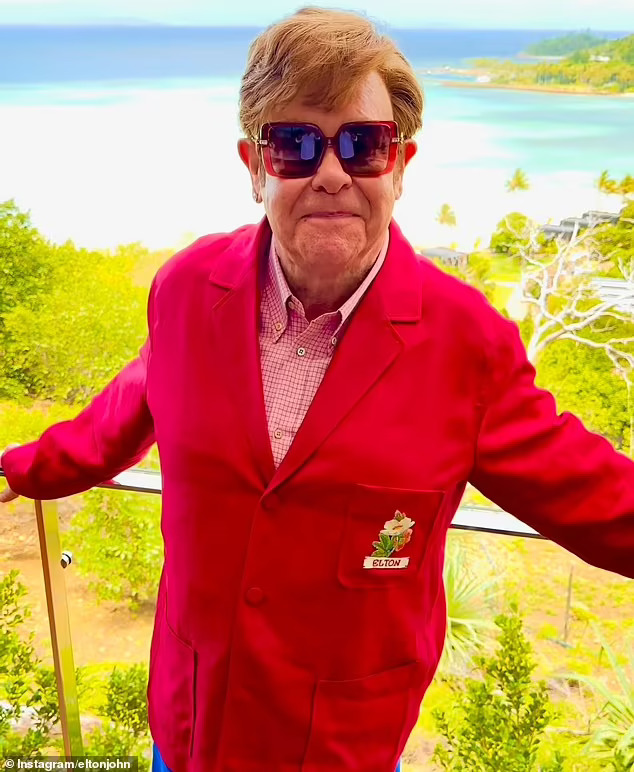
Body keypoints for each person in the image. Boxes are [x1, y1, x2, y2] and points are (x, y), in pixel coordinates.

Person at [1, 7, 633, 771]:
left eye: (364, 145)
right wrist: (23, 467)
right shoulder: (187, 289)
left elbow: (596, 496)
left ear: (400, 165)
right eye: (295, 144)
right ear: (254, 167)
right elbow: (130, 404)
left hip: (338, 746)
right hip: (193, 724)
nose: (332, 172)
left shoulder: (466, 342)